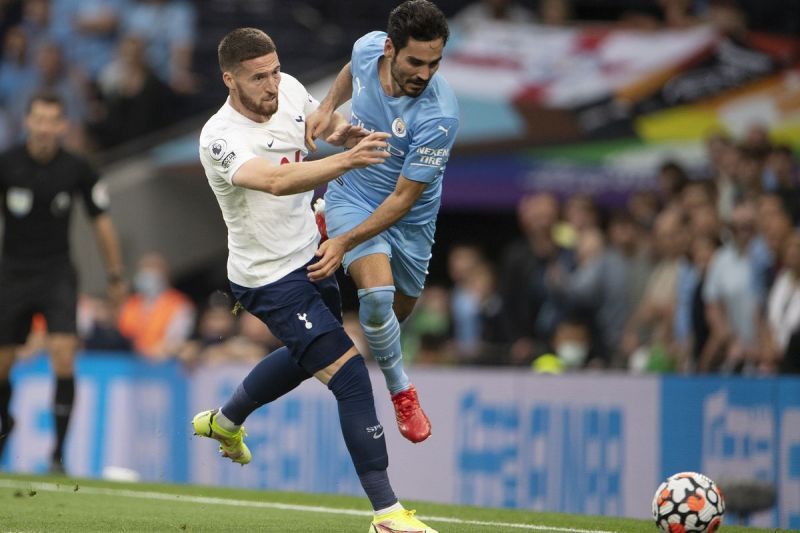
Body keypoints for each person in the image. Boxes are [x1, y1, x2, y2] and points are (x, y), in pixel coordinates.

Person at [193, 28, 438, 532]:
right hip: (266, 279)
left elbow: (322, 126)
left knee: (308, 359)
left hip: (311, 256)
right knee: (350, 376)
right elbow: (277, 181)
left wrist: (353, 136)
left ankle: (226, 420)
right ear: (229, 79)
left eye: (275, 70)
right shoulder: (219, 137)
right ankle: (387, 515)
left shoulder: (290, 91)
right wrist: (347, 160)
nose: (272, 84)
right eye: (258, 77)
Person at [305, 0, 458, 444]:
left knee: (395, 315)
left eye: (435, 63)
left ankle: (330, 229)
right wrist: (328, 107)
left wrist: (342, 241)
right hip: (354, 192)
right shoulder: (368, 48)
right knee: (375, 298)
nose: (425, 74)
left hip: (409, 221)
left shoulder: (439, 115)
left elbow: (402, 200)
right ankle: (402, 392)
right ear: (390, 49)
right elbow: (351, 70)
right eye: (416, 61)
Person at [0, 91, 125, 473]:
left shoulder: (77, 167)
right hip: (12, 272)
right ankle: (5, 421)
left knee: (64, 357)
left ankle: (57, 455)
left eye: (52, 120)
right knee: (2, 367)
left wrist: (115, 274)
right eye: (38, 119)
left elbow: (100, 220)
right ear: (28, 122)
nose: (44, 127)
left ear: (62, 126)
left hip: (56, 272)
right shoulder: (7, 164)